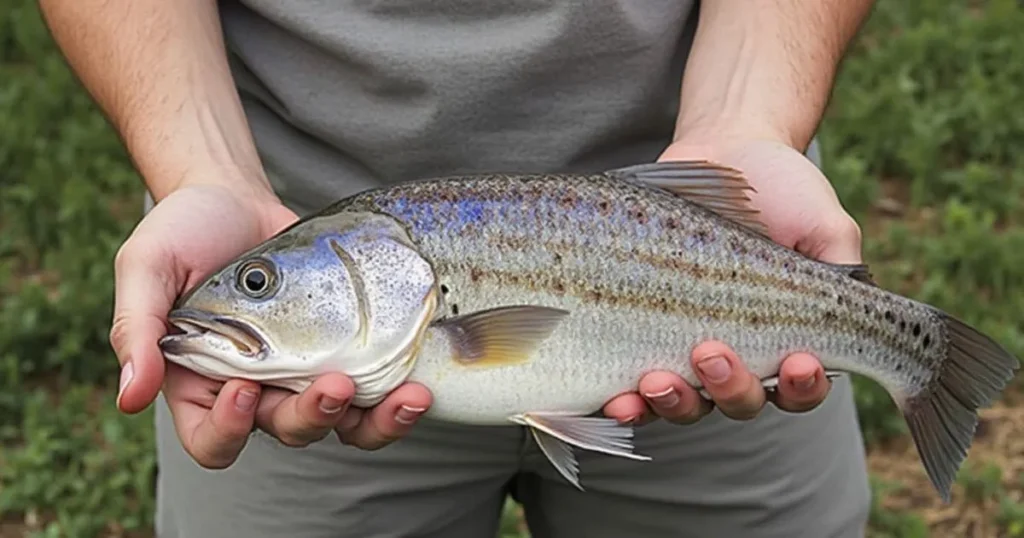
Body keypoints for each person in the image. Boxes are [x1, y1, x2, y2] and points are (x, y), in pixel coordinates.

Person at [40, 0, 876, 536]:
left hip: (709, 216)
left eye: (258, 285)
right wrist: (202, 170)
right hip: (274, 190)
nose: (241, 299)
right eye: (260, 286)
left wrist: (749, 117)